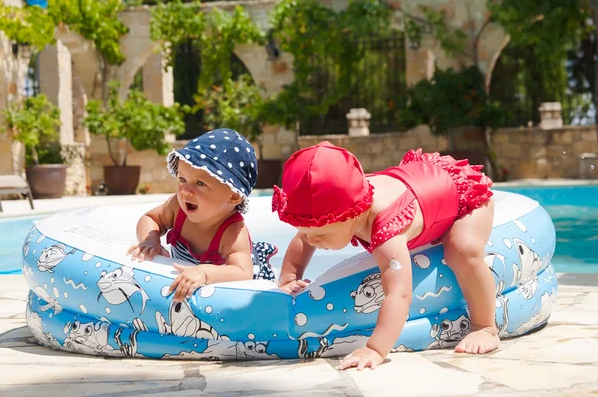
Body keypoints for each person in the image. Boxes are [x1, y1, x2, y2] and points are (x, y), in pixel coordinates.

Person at [272, 142, 496, 370]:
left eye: (320, 233)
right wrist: (289, 278)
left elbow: (399, 294)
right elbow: (303, 238)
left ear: (354, 214)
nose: (311, 240)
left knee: (462, 250)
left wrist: (375, 349)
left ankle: (485, 327)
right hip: (422, 176)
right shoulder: (338, 206)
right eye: (308, 231)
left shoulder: (387, 229)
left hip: (463, 194)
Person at [128, 128, 276, 302]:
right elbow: (151, 218)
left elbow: (243, 272)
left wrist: (204, 272)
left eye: (200, 183)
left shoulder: (232, 232)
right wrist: (150, 240)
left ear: (234, 196)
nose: (186, 191)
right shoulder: (178, 207)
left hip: (241, 290)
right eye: (182, 179)